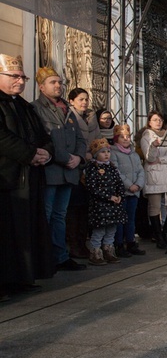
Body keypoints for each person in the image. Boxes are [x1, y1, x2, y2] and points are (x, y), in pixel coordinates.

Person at [0, 54, 56, 299]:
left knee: (27, 229)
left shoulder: (25, 106)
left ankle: (23, 277)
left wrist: (46, 152)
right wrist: (30, 154)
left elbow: (44, 135)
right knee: (6, 233)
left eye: (22, 77)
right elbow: (2, 138)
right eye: (14, 76)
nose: (20, 81)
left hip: (30, 177)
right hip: (7, 179)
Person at [31, 66, 88, 271]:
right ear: (41, 86)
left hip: (69, 172)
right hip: (50, 171)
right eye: (53, 82)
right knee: (45, 215)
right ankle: (44, 258)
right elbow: (44, 140)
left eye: (59, 82)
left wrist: (79, 157)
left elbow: (81, 139)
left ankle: (60, 256)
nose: (58, 86)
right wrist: (66, 158)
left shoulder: (68, 110)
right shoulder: (36, 108)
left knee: (60, 215)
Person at [65, 87, 102, 259]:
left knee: (86, 208)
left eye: (86, 99)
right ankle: (73, 245)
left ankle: (83, 243)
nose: (84, 102)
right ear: (72, 101)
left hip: (91, 166)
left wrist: (95, 154)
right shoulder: (68, 116)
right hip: (75, 166)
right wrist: (82, 155)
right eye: (81, 99)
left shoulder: (92, 118)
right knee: (74, 208)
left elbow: (98, 141)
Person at [139, 110, 167, 249]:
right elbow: (149, 158)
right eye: (155, 119)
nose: (158, 122)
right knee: (154, 207)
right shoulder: (146, 136)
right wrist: (154, 146)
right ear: (149, 122)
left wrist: (160, 159)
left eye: (160, 119)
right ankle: (158, 237)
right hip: (154, 174)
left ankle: (166, 234)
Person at [84, 138, 127, 265]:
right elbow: (92, 187)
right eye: (103, 152)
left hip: (113, 206)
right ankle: (95, 252)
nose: (106, 154)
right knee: (99, 230)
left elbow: (119, 183)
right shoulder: (92, 168)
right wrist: (108, 197)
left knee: (111, 229)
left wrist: (119, 195)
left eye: (108, 151)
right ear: (96, 154)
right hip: (100, 205)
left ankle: (108, 250)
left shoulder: (112, 167)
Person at [110, 124, 146, 257]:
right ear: (116, 138)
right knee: (120, 219)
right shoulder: (113, 153)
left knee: (131, 218)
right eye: (122, 137)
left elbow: (140, 170)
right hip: (122, 192)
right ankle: (118, 244)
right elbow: (116, 171)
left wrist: (138, 184)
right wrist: (129, 185)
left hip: (134, 192)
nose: (126, 139)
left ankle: (130, 242)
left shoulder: (134, 154)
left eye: (128, 136)